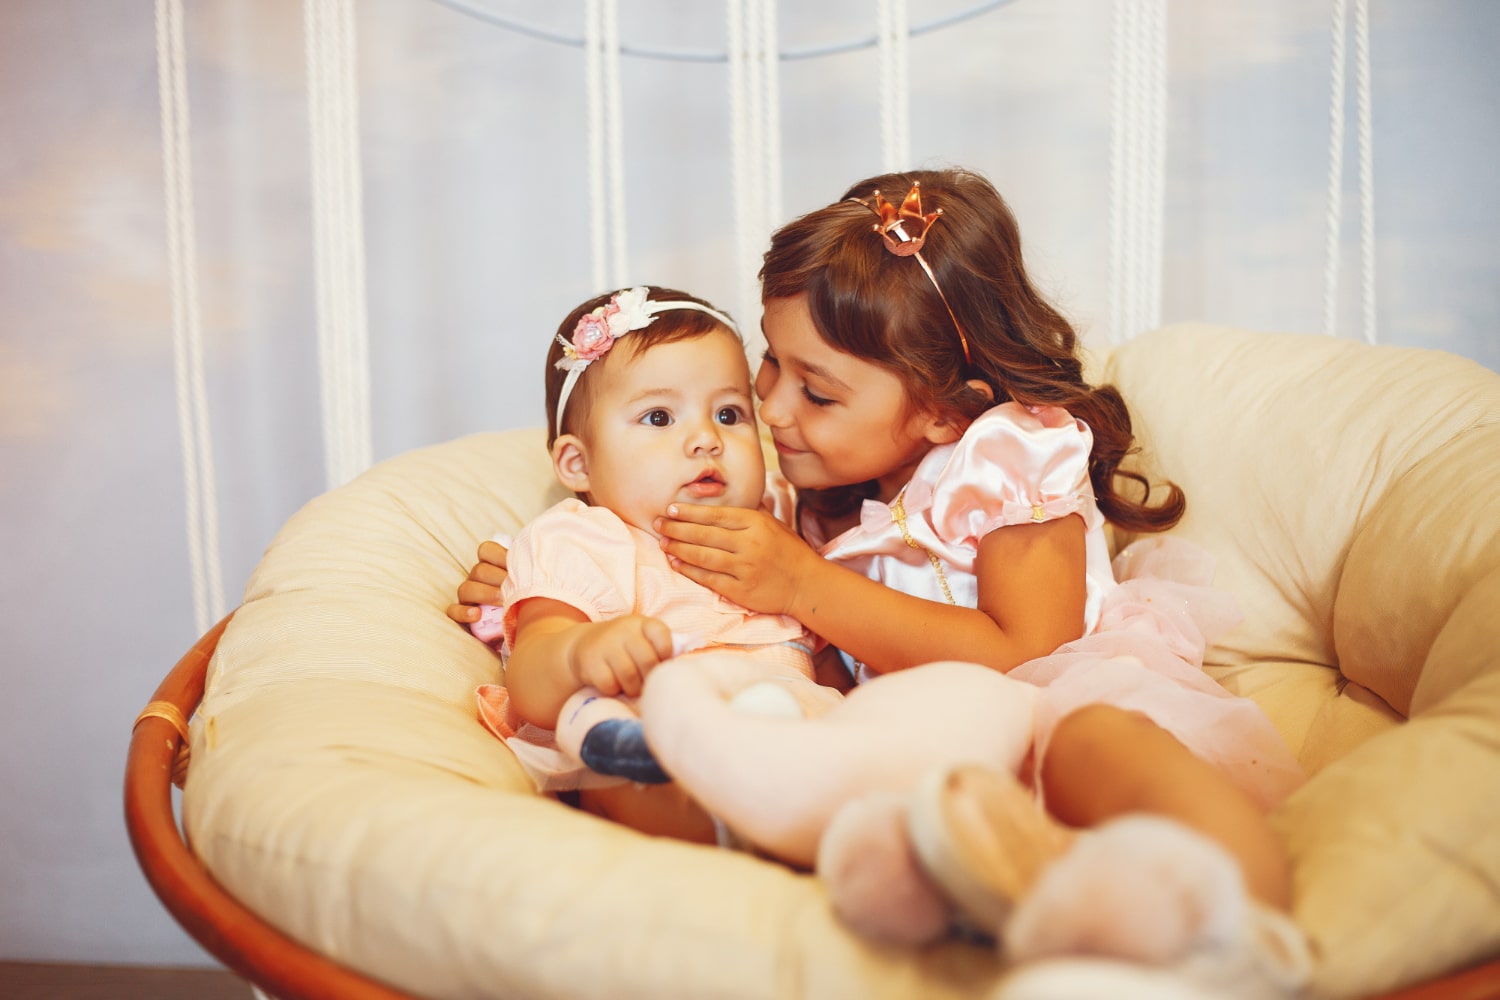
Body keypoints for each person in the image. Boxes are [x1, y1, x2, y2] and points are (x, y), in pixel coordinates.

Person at [451, 170, 1306, 981]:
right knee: (913, 829)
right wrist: (536, 585)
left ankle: (1253, 914)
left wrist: (800, 585)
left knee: (1089, 742)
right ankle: (1068, 895)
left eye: (815, 393)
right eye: (770, 368)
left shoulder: (1003, 459)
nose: (772, 412)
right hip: (933, 759)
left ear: (942, 410)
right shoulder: (814, 488)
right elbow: (631, 530)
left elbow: (1026, 651)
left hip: (1049, 697)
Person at [467, 285, 842, 842]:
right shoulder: (586, 538)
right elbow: (532, 684)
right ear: (578, 462)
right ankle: (724, 834)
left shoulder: (778, 533)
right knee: (614, 763)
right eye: (660, 416)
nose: (705, 439)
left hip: (793, 734)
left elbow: (828, 661)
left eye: (729, 412)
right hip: (663, 739)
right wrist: (582, 651)